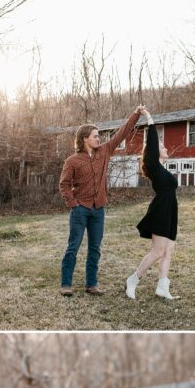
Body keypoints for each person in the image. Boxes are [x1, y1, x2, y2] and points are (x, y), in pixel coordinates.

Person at [59, 105, 145, 296]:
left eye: (99, 135)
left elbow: (122, 132)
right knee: (73, 247)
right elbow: (63, 185)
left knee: (95, 248)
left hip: (98, 210)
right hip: (80, 210)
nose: (99, 138)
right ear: (85, 139)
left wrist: (136, 114)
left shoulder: (105, 151)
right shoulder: (72, 160)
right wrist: (73, 204)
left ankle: (91, 285)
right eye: (95, 136)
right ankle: (66, 284)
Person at [125, 107, 178, 301]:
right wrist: (147, 116)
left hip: (171, 210)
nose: (166, 149)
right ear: (155, 152)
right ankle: (133, 279)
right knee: (158, 251)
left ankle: (162, 287)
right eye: (163, 147)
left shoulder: (161, 169)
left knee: (169, 249)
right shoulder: (154, 166)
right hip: (161, 210)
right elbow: (153, 138)